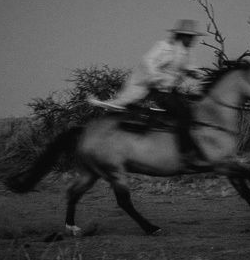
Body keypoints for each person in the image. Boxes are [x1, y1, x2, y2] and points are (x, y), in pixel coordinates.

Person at [88, 19, 207, 163]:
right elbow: (147, 60)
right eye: (189, 36)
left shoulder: (186, 53)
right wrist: (155, 76)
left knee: (191, 108)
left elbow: (189, 67)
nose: (192, 40)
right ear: (181, 36)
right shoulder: (163, 46)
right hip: (158, 90)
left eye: (193, 37)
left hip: (170, 90)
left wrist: (195, 73)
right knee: (184, 114)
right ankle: (186, 153)